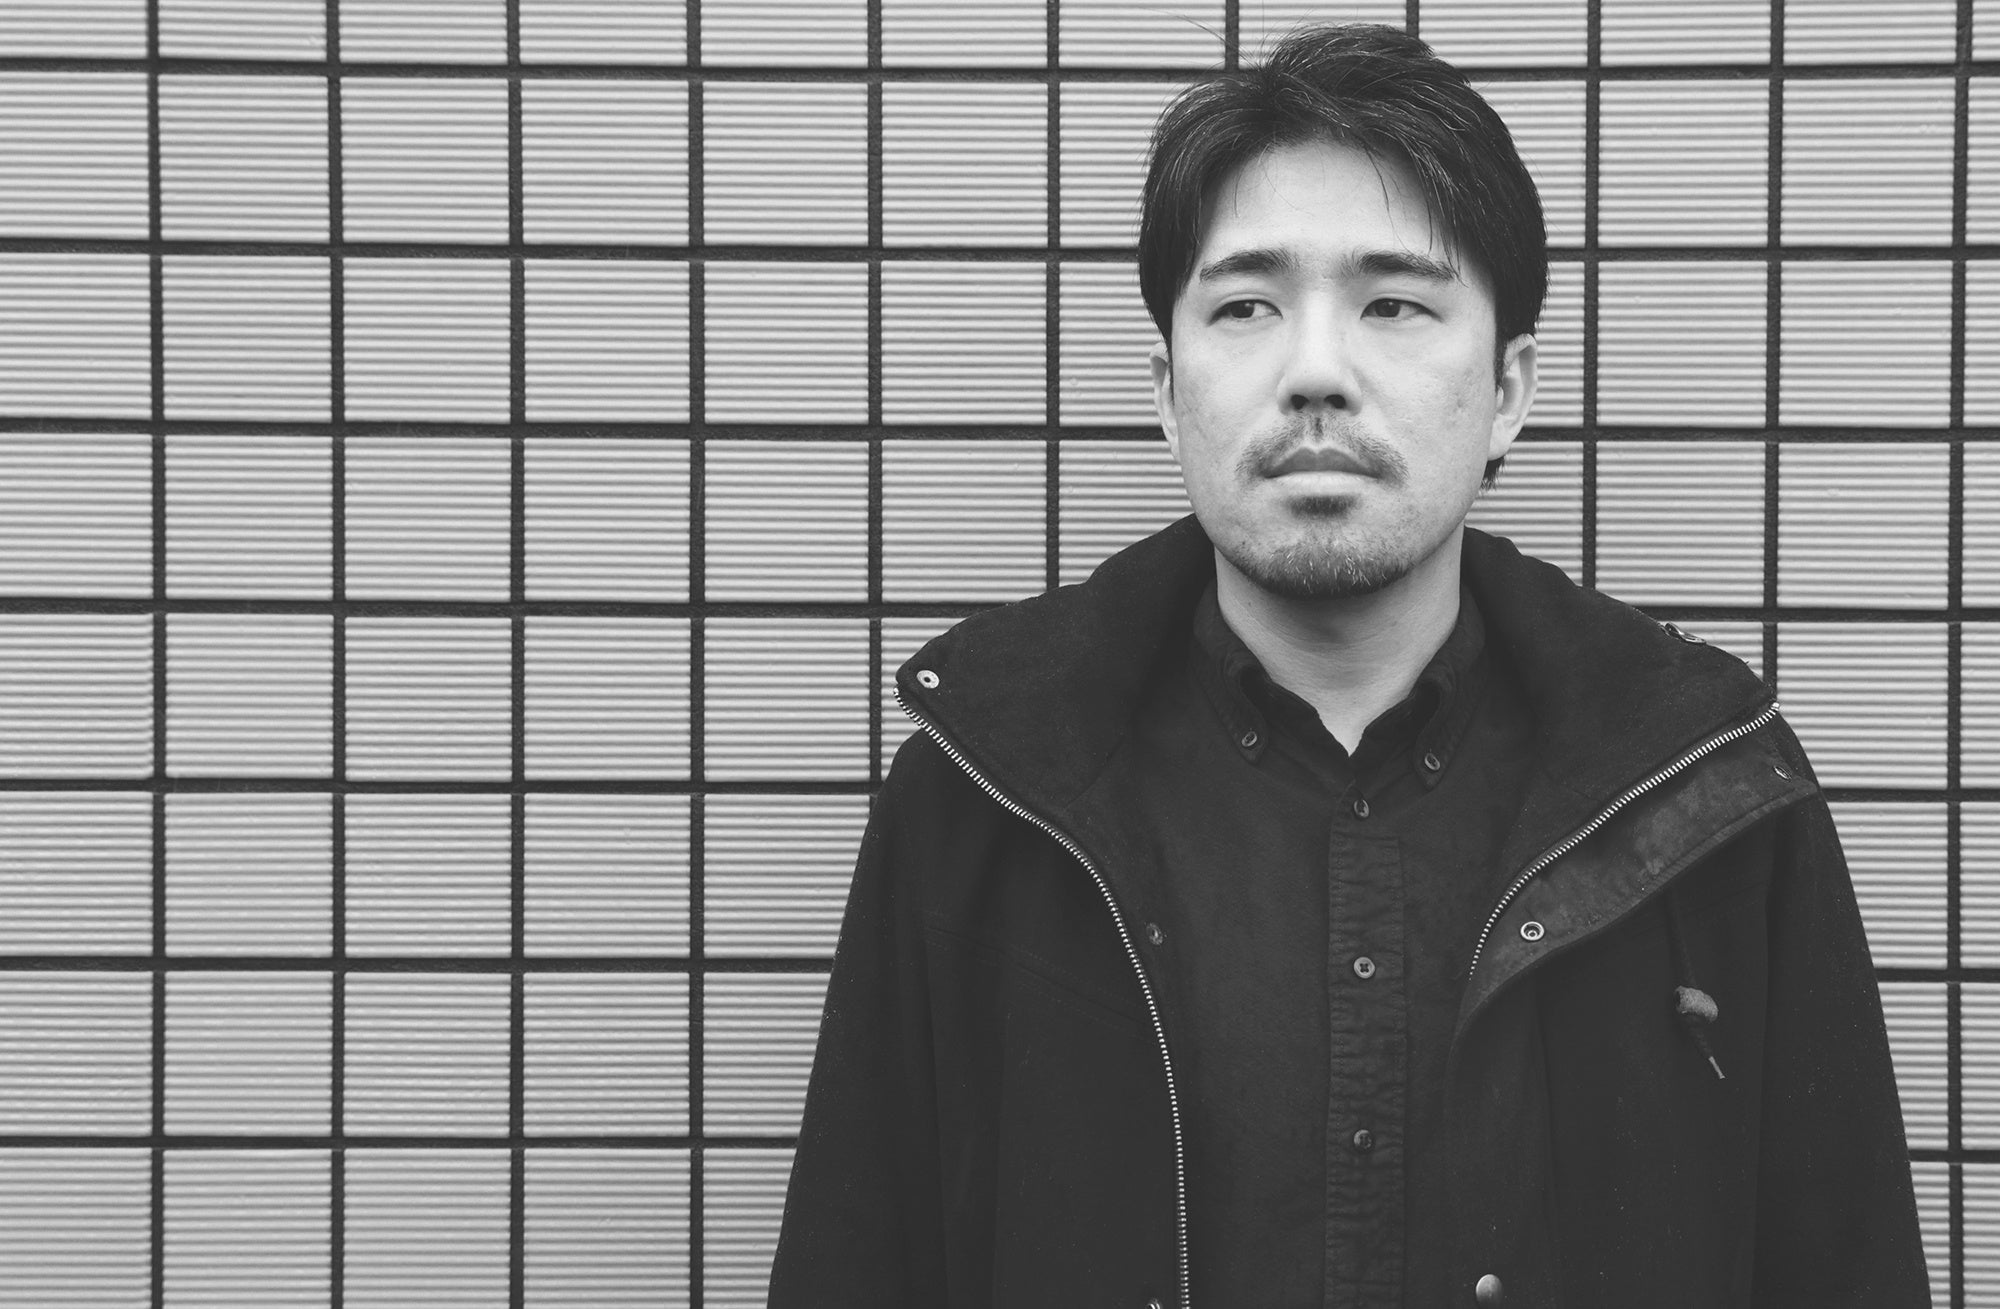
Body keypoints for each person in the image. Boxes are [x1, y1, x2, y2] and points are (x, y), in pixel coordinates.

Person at [768, 22, 1930, 1308]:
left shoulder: (1708, 799)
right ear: (1165, 389)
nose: (1315, 371)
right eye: (1245, 307)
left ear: (1507, 390)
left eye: (1393, 304)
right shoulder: (981, 801)